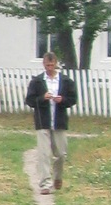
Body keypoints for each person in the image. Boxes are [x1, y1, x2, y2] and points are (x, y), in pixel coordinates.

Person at [26, 51, 77, 193]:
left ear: (56, 64)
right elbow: (30, 100)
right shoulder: (37, 82)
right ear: (43, 64)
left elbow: (73, 99)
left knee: (60, 153)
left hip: (59, 121)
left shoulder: (66, 81)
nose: (49, 67)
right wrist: (42, 98)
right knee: (44, 154)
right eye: (47, 65)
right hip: (43, 122)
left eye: (52, 65)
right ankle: (45, 184)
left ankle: (58, 176)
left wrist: (62, 100)